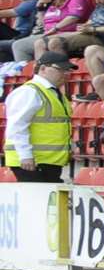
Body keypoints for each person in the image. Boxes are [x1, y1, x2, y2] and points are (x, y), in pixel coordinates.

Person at [3, 51, 73, 181]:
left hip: (47, 161)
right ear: (43, 69)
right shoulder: (30, 91)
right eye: (61, 69)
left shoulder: (53, 93)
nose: (66, 73)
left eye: (67, 70)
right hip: (32, 162)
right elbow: (17, 126)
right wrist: (25, 155)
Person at [12, 0, 91, 63]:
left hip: (70, 32)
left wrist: (55, 28)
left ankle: (44, 71)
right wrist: (40, 9)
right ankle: (36, 72)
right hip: (50, 33)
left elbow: (74, 16)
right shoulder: (55, 3)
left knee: (20, 46)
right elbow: (42, 23)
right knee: (18, 45)